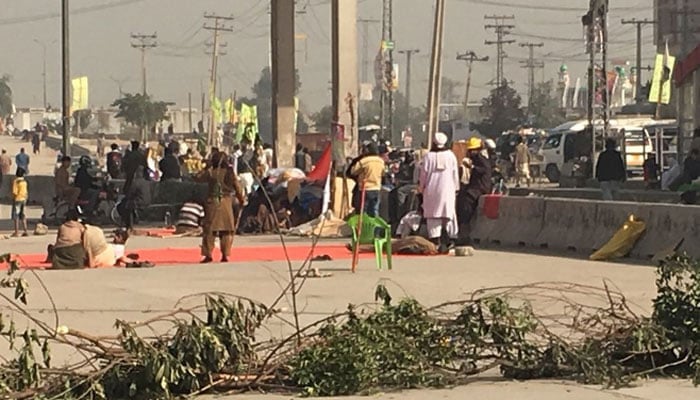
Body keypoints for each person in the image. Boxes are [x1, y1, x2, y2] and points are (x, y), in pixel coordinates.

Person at [193, 151, 246, 263]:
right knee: (226, 231)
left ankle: (208, 255)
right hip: (226, 203)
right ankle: (225, 255)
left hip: (212, 202)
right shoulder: (230, 173)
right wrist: (242, 200)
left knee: (209, 231)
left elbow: (197, 178)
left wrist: (206, 166)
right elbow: (238, 188)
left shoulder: (211, 172)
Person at [419, 132, 459, 253]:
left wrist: (421, 188)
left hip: (431, 190)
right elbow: (455, 173)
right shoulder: (451, 155)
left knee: (433, 216)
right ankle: (450, 240)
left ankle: (435, 242)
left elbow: (423, 175)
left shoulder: (428, 157)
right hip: (448, 190)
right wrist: (456, 188)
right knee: (449, 214)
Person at [457, 137, 492, 229]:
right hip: (476, 186)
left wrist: (471, 167)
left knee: (467, 201)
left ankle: (465, 225)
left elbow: (484, 170)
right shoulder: (477, 158)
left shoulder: (480, 158)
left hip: (480, 187)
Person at [349, 142, 386, 217]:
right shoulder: (381, 161)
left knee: (363, 211)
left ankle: (362, 227)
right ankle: (375, 227)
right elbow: (383, 173)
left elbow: (353, 171)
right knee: (374, 210)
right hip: (376, 188)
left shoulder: (364, 161)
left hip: (365, 189)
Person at [11, 168, 29, 237]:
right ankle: (25, 230)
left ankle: (16, 232)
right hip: (24, 199)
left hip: (17, 199)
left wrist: (13, 199)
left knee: (16, 216)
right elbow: (26, 192)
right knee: (23, 215)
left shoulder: (16, 182)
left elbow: (14, 192)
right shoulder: (24, 182)